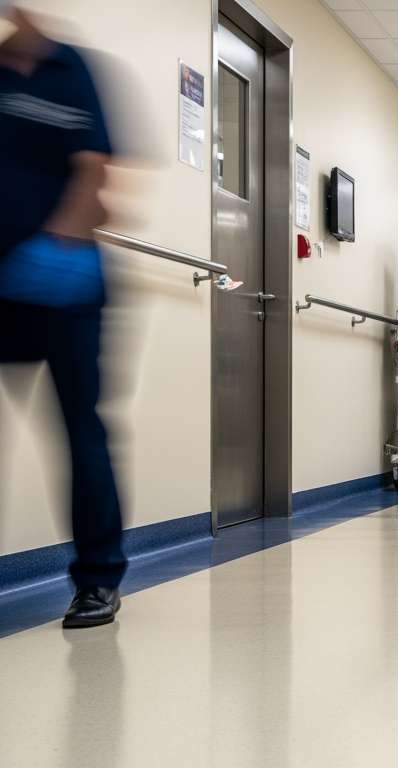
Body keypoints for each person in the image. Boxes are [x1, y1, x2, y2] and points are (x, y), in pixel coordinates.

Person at [0, 5, 125, 627]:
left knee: (82, 434)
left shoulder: (72, 69)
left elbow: (96, 167)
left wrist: (54, 250)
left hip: (65, 286)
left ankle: (98, 580)